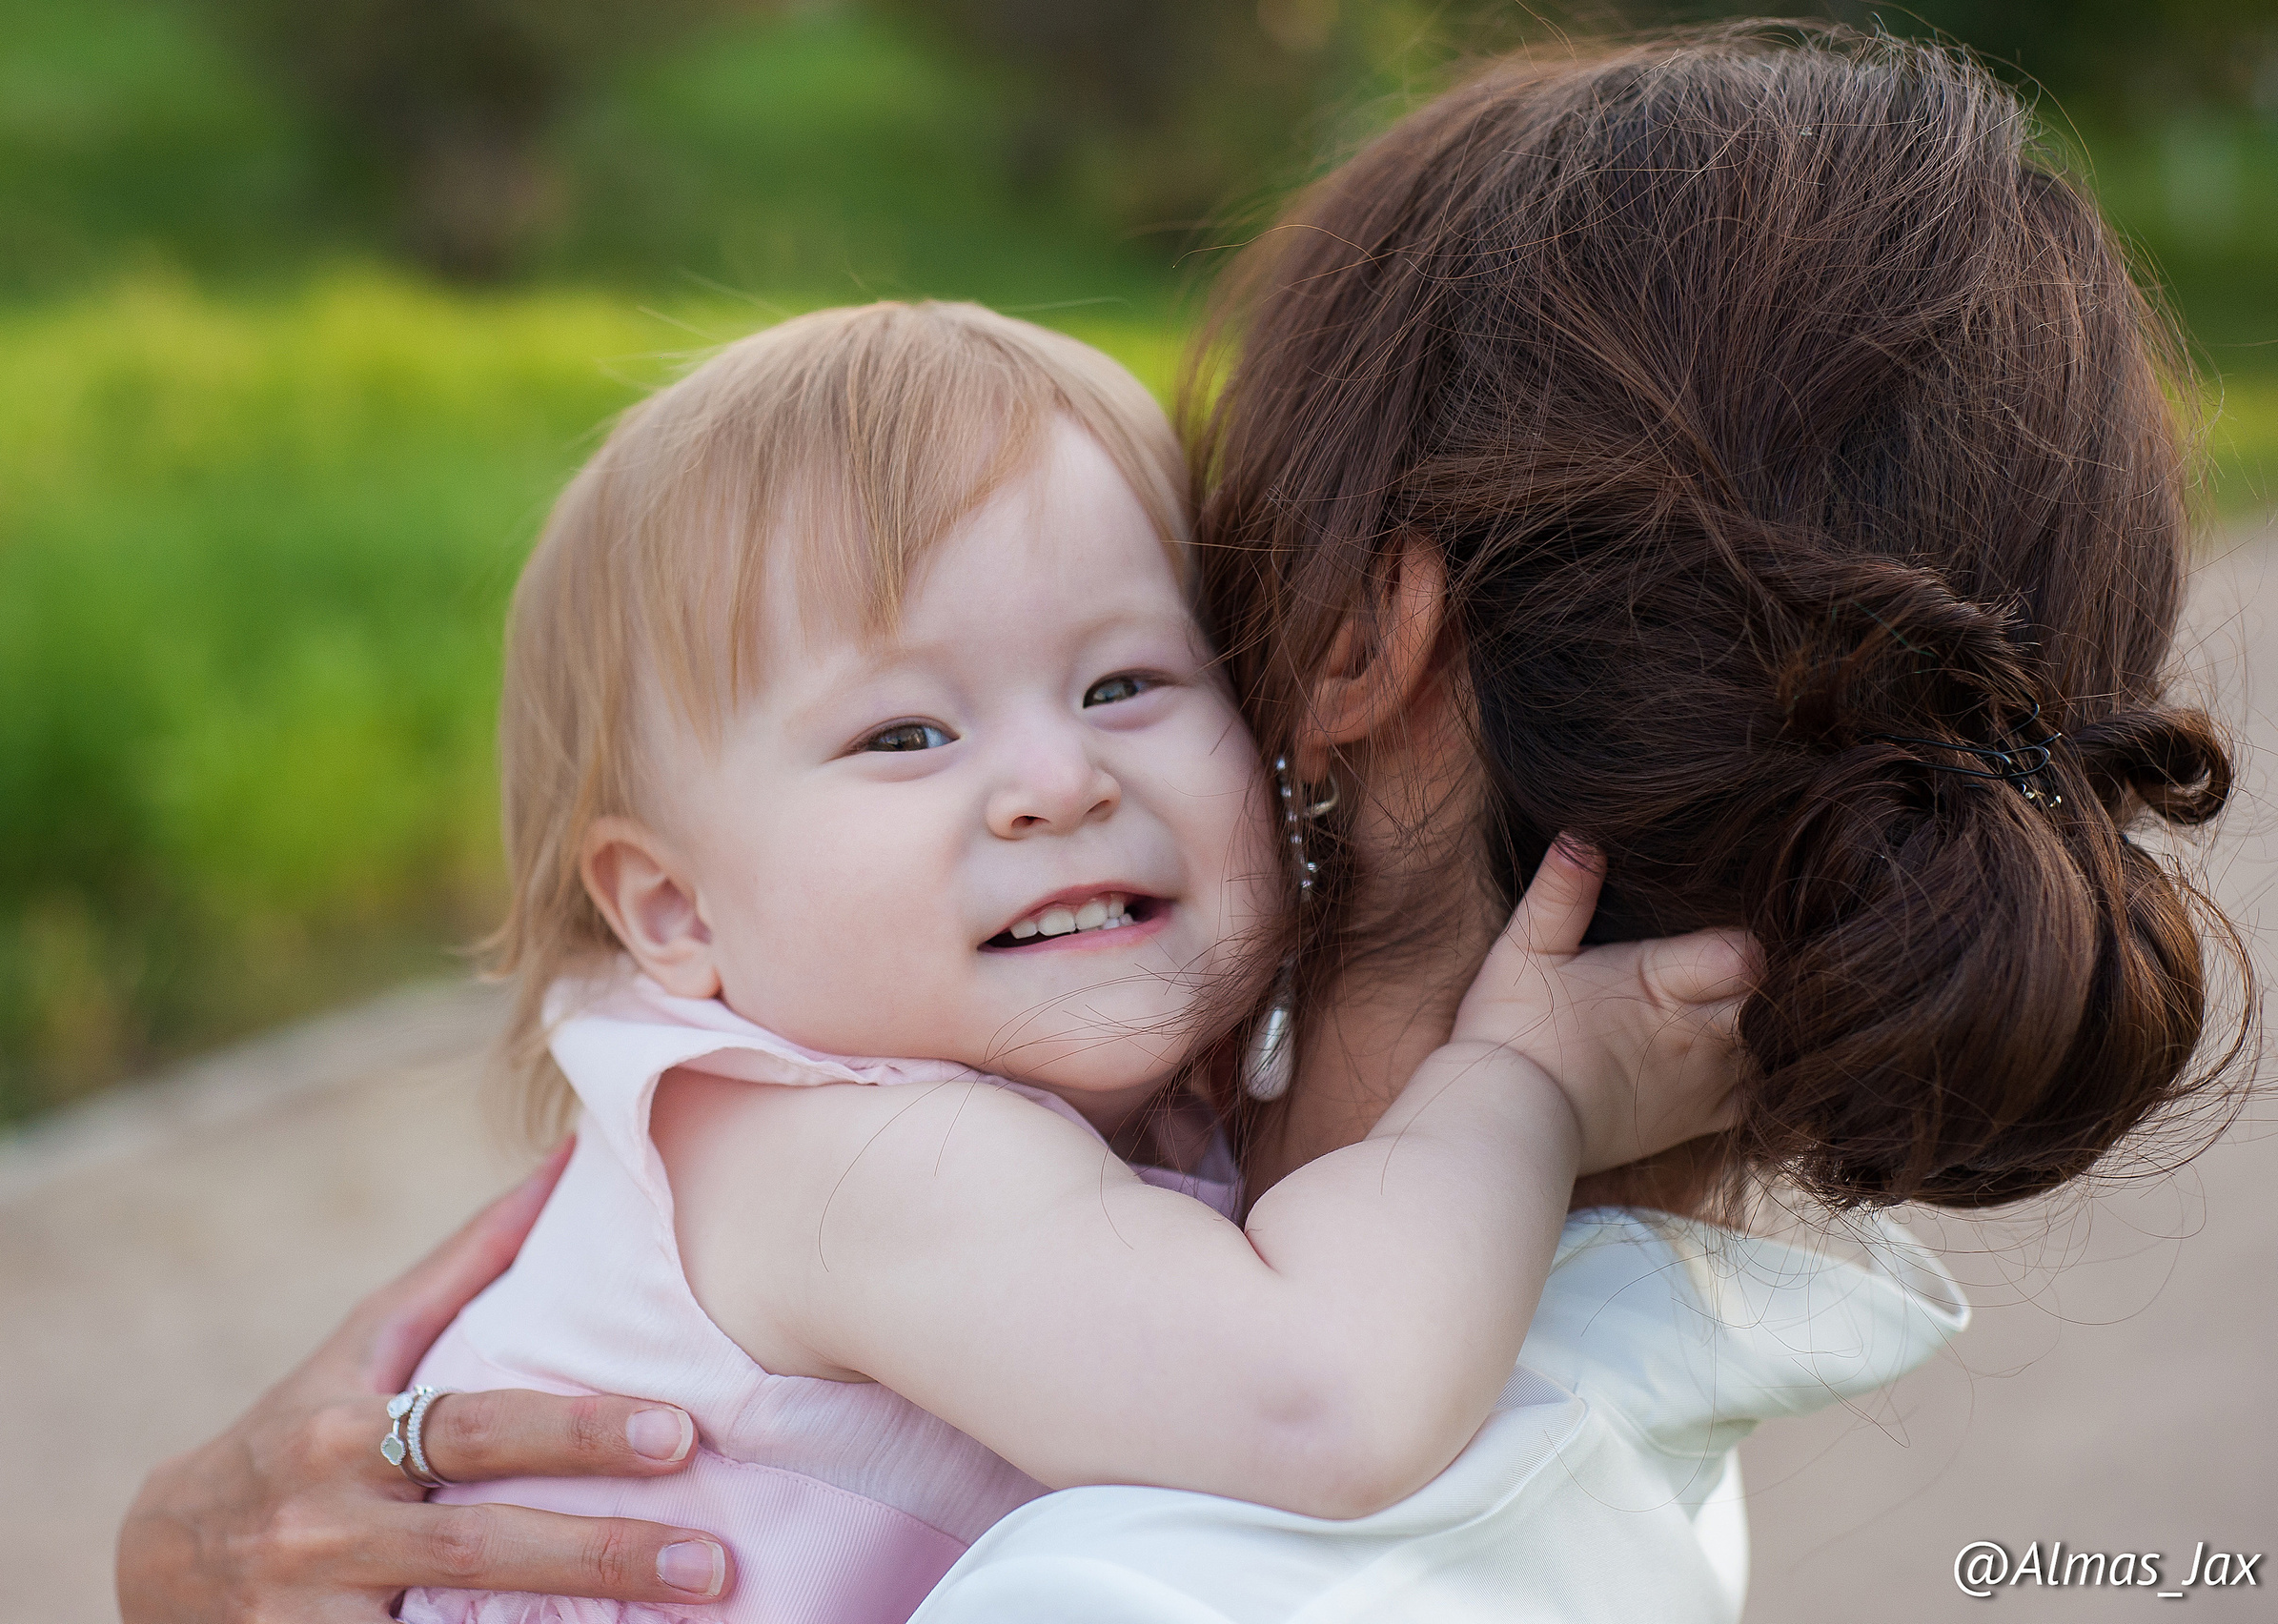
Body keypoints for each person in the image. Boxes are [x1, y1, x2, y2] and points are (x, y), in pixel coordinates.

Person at [116, 23, 2242, 1624]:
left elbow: (1312, 1402)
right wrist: (1506, 1091)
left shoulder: (1173, 1556)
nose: (1049, 779)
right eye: (898, 740)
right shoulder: (1566, 1334)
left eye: (1131, 676)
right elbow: (1320, 1364)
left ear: (1335, 633)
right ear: (658, 905)